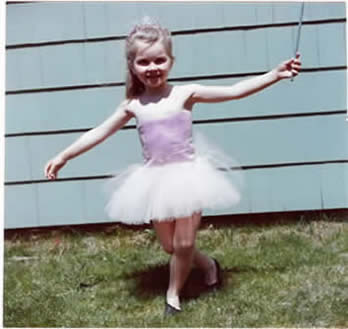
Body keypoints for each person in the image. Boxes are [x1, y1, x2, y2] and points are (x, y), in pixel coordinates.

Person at [44, 21, 301, 315]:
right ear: (133, 65)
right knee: (171, 247)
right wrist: (64, 155)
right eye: (144, 61)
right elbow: (99, 132)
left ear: (171, 61)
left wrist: (275, 74)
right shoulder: (133, 105)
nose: (152, 67)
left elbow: (235, 90)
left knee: (184, 242)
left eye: (159, 60)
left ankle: (172, 295)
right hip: (155, 181)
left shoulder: (185, 94)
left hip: (188, 176)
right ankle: (208, 264)